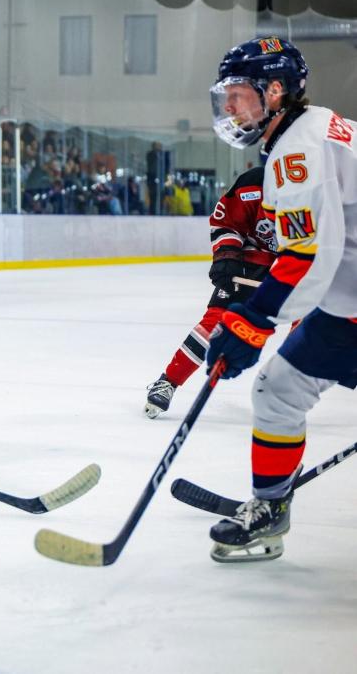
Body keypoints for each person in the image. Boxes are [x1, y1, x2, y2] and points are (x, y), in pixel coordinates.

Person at [203, 37, 357, 562]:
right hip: (348, 308)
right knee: (279, 391)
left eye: (238, 94)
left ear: (274, 92)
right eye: (224, 95)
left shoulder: (299, 149)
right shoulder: (309, 131)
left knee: (278, 390)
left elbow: (308, 255)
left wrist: (253, 321)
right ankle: (270, 509)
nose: (228, 106)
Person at [144, 166, 274, 418]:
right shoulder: (254, 182)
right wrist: (227, 255)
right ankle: (169, 381)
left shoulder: (326, 184)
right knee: (216, 320)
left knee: (309, 328)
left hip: (304, 261)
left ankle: (290, 395)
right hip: (255, 258)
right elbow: (227, 221)